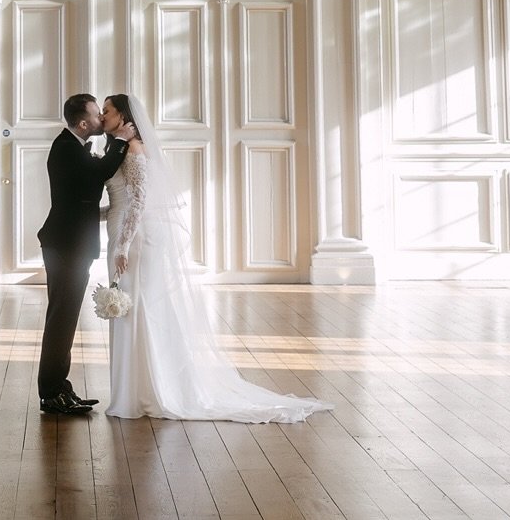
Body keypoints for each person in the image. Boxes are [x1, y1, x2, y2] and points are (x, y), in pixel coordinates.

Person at [102, 93, 335, 423]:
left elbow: (139, 201)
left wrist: (123, 245)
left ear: (124, 116)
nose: (102, 116)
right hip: (124, 232)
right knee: (134, 308)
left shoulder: (135, 149)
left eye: (107, 111)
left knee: (141, 308)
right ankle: (136, 390)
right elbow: (121, 200)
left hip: (136, 238)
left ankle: (150, 391)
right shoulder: (122, 149)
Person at [36, 92, 135, 415]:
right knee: (61, 319)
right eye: (97, 114)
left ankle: (60, 388)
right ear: (83, 122)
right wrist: (121, 140)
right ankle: (51, 394)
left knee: (63, 319)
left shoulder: (71, 147)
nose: (100, 120)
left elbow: (84, 197)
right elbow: (99, 173)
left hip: (69, 244)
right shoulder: (65, 148)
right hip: (66, 245)